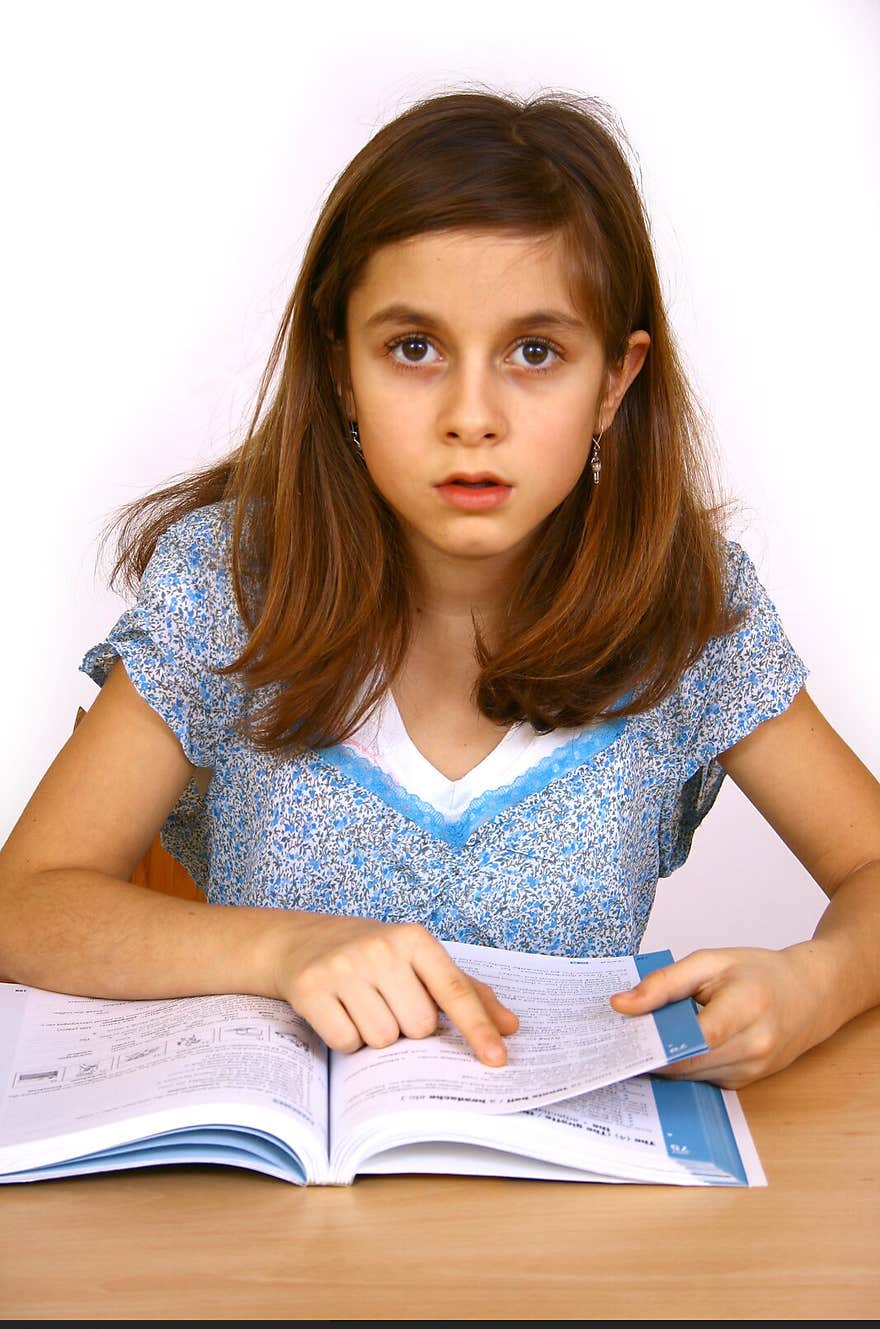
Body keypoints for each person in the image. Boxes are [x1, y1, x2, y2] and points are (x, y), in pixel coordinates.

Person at [1, 87, 878, 1092]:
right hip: (271, 1216)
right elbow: (25, 903)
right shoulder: (230, 581)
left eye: (534, 353)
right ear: (340, 371)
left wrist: (819, 981)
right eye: (413, 348)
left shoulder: (685, 610)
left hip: (568, 1215)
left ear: (613, 381)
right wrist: (278, 950)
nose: (472, 416)